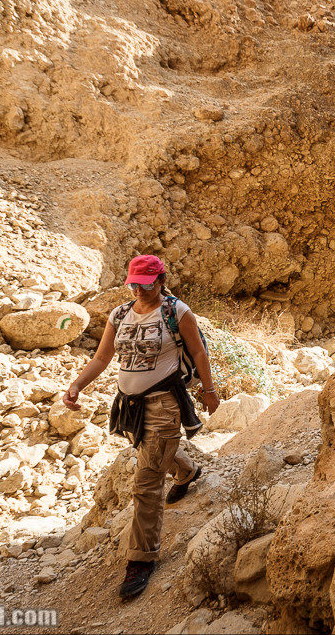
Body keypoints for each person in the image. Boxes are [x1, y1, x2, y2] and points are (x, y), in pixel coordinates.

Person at [62, 254, 220, 599]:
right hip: (130, 407)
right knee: (154, 451)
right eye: (134, 284)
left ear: (161, 281)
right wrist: (77, 385)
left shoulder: (177, 313)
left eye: (146, 285)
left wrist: (209, 391)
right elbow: (102, 357)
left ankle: (141, 559)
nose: (139, 290)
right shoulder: (120, 314)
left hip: (165, 403)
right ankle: (187, 471)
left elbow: (199, 353)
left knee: (145, 484)